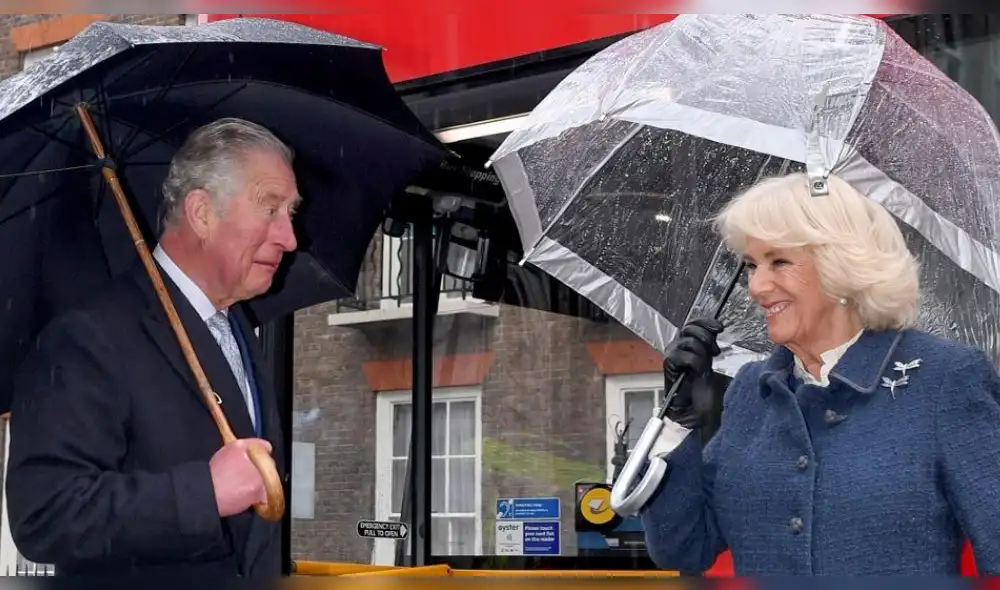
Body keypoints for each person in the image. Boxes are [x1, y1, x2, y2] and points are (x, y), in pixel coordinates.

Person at [639, 172, 1000, 575]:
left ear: (841, 265)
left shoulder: (945, 377)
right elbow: (683, 548)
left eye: (779, 261)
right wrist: (679, 418)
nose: (756, 286)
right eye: (751, 265)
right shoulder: (750, 392)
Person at [4, 118, 299, 578]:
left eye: (290, 214)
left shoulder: (239, 329)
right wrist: (203, 493)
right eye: (270, 209)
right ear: (202, 213)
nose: (289, 238)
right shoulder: (87, 336)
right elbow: (45, 514)